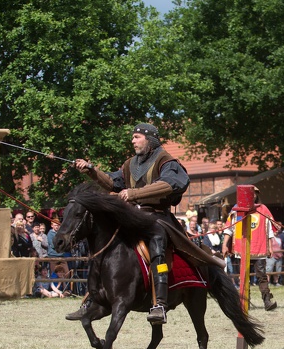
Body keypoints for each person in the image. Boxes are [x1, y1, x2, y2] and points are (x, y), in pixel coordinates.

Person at [73, 122, 197, 324]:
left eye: (137, 137)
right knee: (103, 247)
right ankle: (92, 300)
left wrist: (134, 193)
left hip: (157, 217)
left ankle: (160, 304)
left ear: (150, 139)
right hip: (131, 216)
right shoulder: (130, 163)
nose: (133, 141)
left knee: (157, 244)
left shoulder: (167, 161)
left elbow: (171, 183)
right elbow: (113, 182)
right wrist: (91, 170)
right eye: (133, 138)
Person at [222, 186, 277, 310]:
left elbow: (268, 229)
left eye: (255, 193)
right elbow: (230, 228)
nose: (252, 196)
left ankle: (267, 301)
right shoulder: (237, 211)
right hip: (243, 249)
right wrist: (224, 244)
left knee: (262, 275)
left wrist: (270, 246)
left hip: (259, 248)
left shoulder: (263, 209)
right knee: (244, 276)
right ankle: (244, 302)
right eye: (250, 193)